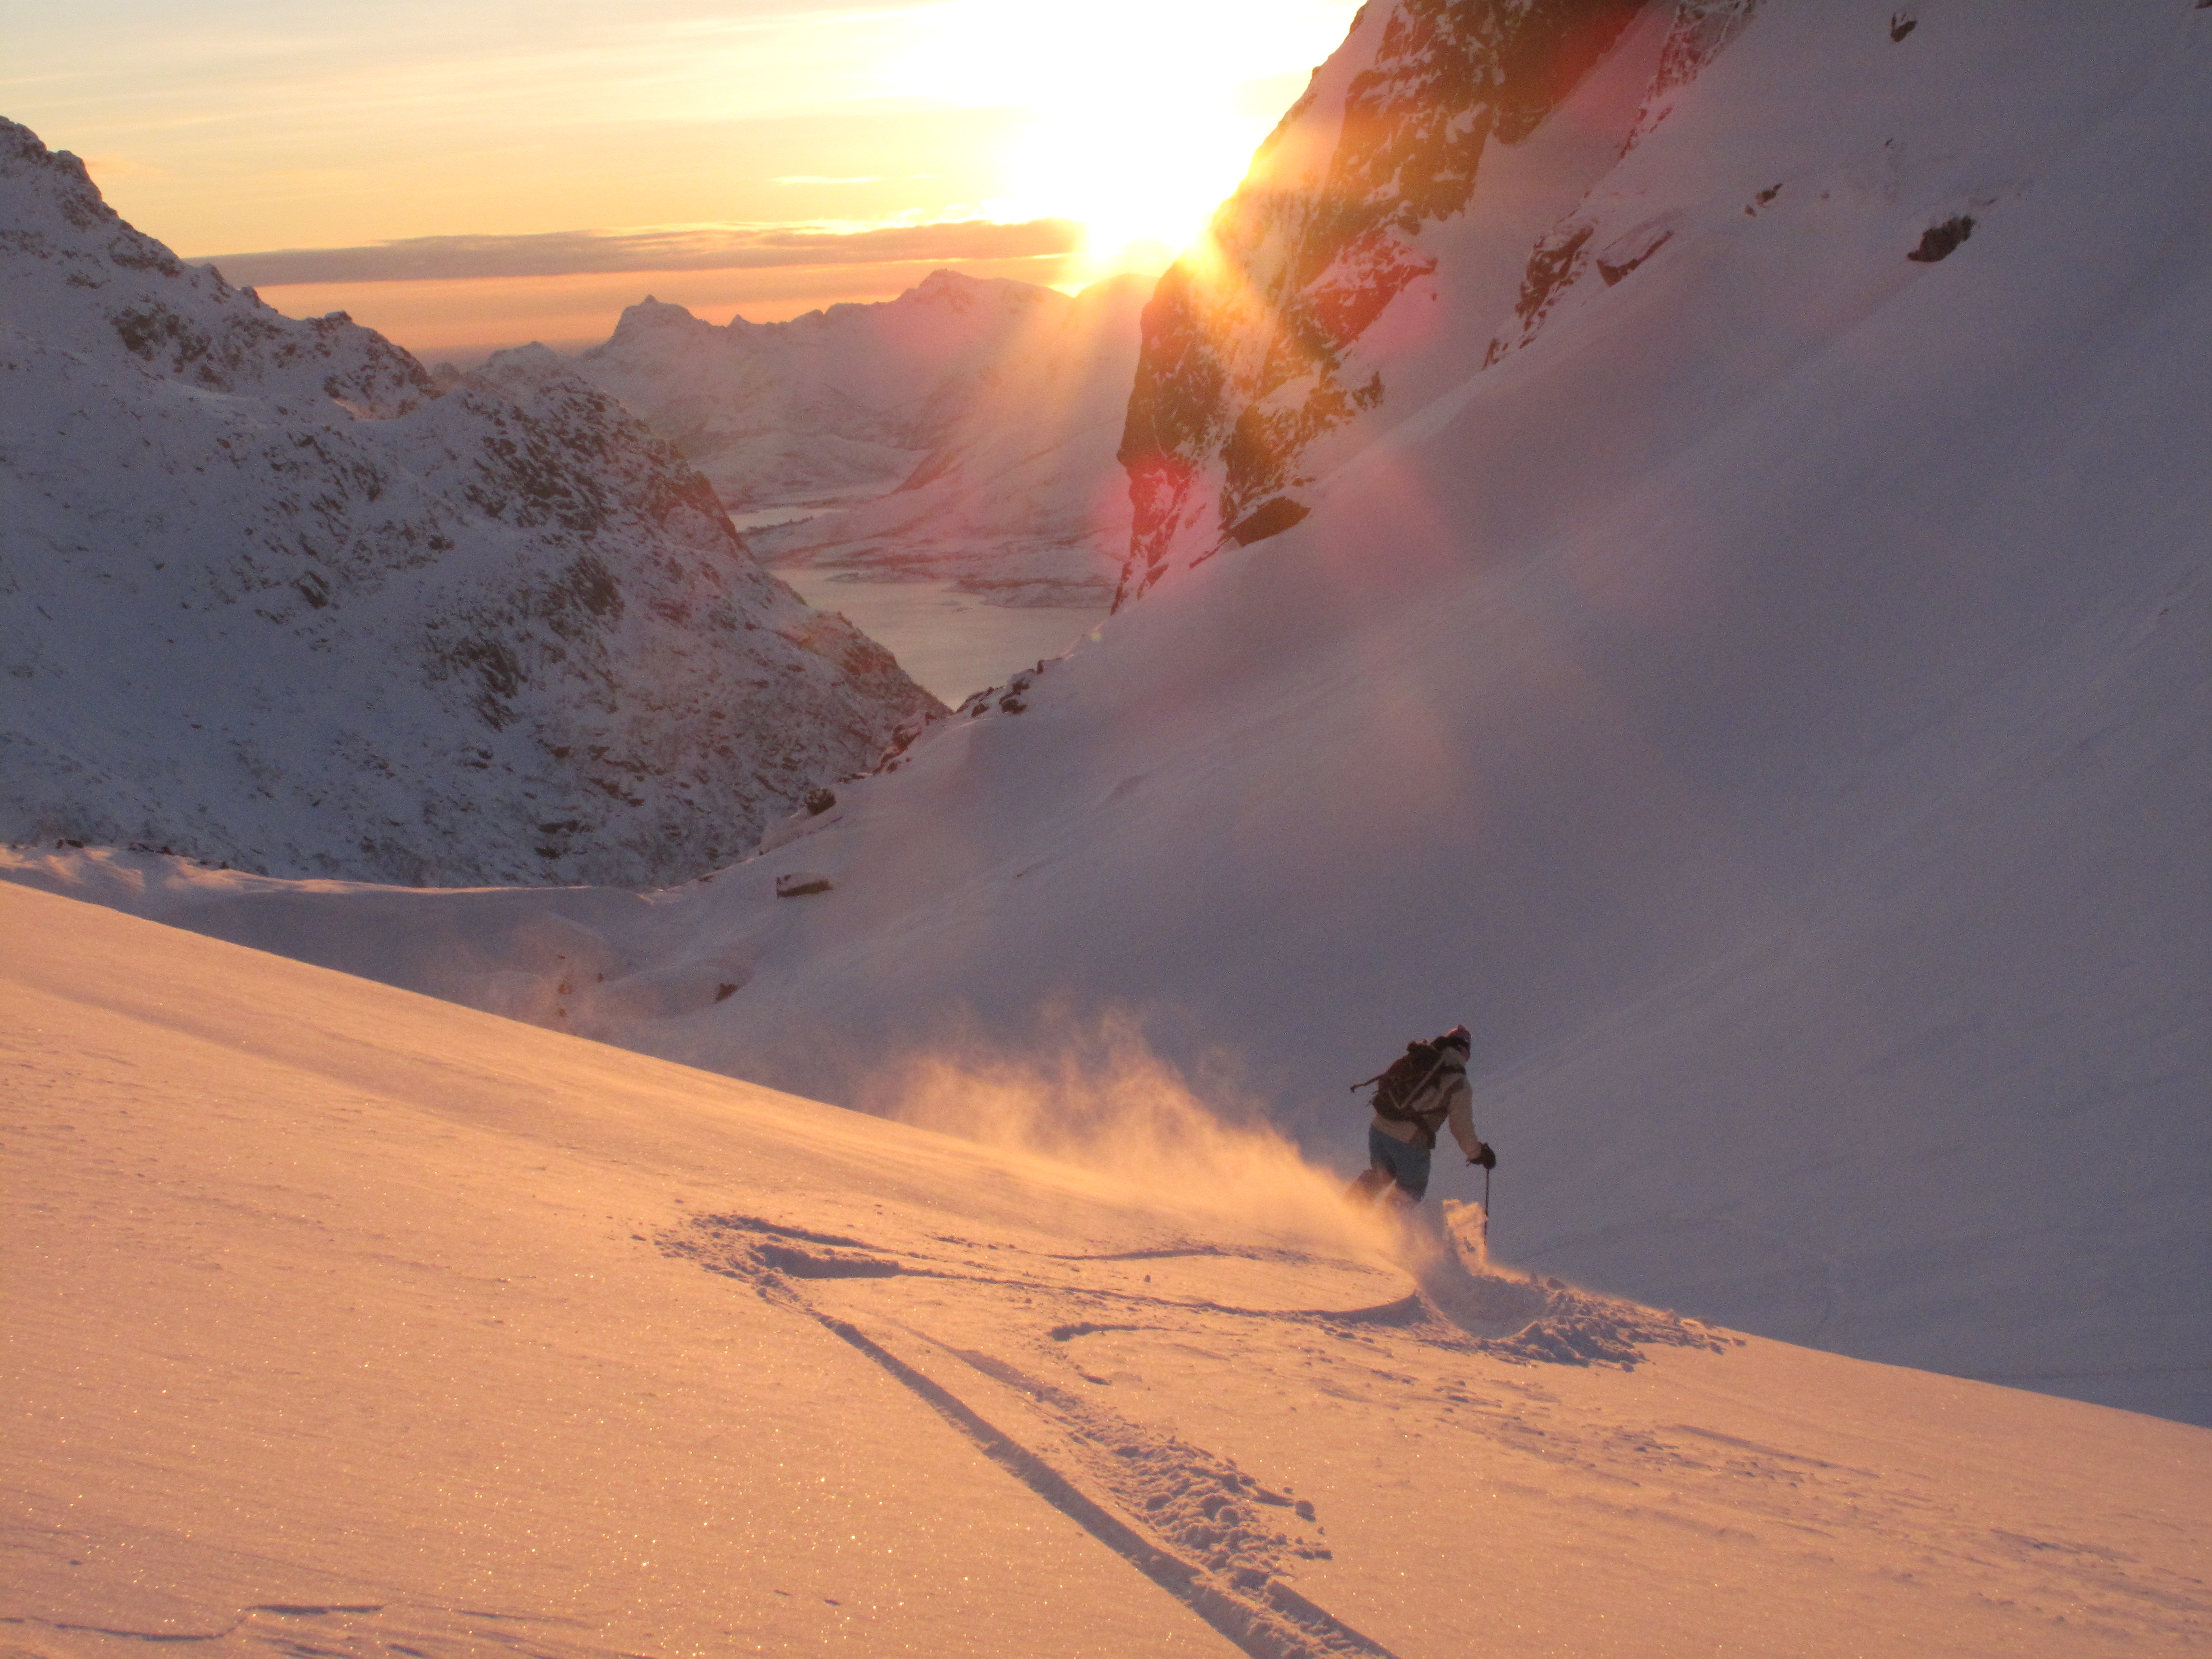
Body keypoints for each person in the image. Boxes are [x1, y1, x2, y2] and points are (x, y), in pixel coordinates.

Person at [1349, 1025, 1494, 1207]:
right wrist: (1477, 1154)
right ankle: (1381, 1232)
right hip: (1408, 1142)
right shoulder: (1459, 1082)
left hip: (1379, 1128)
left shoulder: (1420, 1058)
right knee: (1409, 1191)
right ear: (1465, 1052)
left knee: (1379, 1176)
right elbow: (1460, 1127)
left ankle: (1345, 1213)